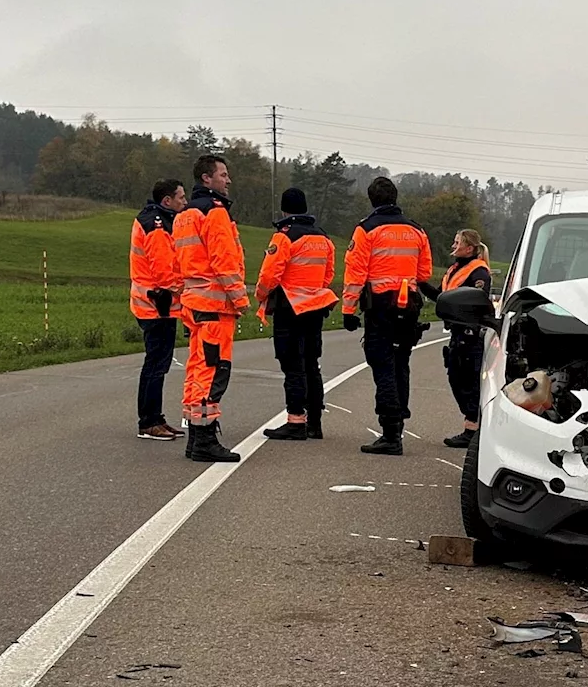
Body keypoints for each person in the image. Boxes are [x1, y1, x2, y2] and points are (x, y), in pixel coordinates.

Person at [341, 176, 432, 455]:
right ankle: (398, 426)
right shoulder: (417, 230)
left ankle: (390, 432)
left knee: (382, 366)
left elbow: (355, 274)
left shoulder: (366, 229)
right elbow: (424, 273)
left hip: (380, 306)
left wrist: (347, 310)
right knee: (401, 363)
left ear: (372, 200)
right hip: (409, 305)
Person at [173, 153, 249, 464]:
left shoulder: (183, 215)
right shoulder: (215, 213)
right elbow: (224, 261)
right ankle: (204, 440)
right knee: (213, 371)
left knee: (196, 370)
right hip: (216, 305)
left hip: (194, 302)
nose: (228, 180)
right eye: (223, 174)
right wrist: (241, 299)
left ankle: (196, 436)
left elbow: (180, 264)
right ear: (207, 178)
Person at [255, 186, 337, 441]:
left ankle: (295, 421)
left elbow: (270, 274)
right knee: (312, 364)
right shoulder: (323, 237)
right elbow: (329, 273)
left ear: (284, 209)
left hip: (289, 308)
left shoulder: (284, 236)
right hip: (315, 307)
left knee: (293, 365)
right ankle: (315, 422)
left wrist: (261, 296)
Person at [130, 176, 187, 440]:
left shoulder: (156, 220)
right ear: (167, 200)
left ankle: (155, 418)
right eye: (180, 197)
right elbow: (164, 270)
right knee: (155, 365)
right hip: (156, 304)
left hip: (157, 304)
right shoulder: (156, 225)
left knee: (158, 364)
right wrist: (185, 290)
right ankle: (148, 422)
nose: (185, 202)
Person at [429, 227, 491, 450]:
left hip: (470, 335)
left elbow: (477, 300)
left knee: (468, 382)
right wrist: (418, 283)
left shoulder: (479, 273)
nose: (453, 246)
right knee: (457, 379)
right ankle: (472, 426)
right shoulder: (455, 270)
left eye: (458, 242)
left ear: (470, 248)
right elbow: (440, 296)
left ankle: (472, 430)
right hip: (456, 333)